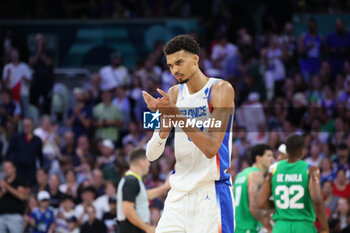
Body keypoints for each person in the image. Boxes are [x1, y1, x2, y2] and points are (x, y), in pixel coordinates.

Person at [143, 34, 235, 233]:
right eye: (170, 65)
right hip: (178, 194)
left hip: (210, 192)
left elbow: (211, 148)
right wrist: (163, 130)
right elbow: (151, 155)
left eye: (179, 62)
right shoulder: (175, 94)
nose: (175, 70)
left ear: (196, 58)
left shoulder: (220, 90)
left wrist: (177, 115)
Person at [258, 134, 329, 233]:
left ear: (287, 150)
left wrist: (280, 208)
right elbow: (317, 199)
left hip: (280, 226)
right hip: (303, 226)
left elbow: (260, 202)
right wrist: (325, 227)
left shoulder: (273, 170)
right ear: (302, 151)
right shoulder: (311, 170)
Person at [117, 148, 170, 233]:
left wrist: (165, 187)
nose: (149, 164)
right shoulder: (131, 181)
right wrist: (147, 228)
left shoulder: (132, 180)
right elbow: (127, 209)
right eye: (147, 161)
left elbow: (145, 195)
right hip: (131, 229)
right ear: (141, 162)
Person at [233, 144, 274, 233]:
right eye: (268, 155)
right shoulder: (256, 175)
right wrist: (268, 226)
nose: (272, 159)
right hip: (249, 227)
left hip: (237, 226)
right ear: (258, 158)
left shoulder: (241, 174)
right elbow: (253, 207)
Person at [6, 117, 43, 185]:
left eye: (28, 125)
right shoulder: (16, 137)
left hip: (31, 170)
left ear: (33, 126)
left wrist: (40, 168)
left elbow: (40, 156)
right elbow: (9, 153)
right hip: (18, 169)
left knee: (31, 188)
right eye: (24, 125)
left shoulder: (37, 140)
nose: (26, 127)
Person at [0, 160, 30, 233]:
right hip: (1, 216)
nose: (6, 169)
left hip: (15, 216)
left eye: (8, 167)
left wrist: (6, 186)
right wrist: (2, 191)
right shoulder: (1, 183)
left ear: (14, 168)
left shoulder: (20, 181)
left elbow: (22, 196)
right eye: (4, 167)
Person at [29, 33, 54, 114]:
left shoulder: (49, 51)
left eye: (40, 39)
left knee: (47, 103)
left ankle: (47, 120)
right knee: (33, 102)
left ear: (44, 40)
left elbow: (48, 63)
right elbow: (32, 63)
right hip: (36, 81)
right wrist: (38, 51)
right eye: (37, 40)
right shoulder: (33, 52)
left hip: (47, 82)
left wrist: (41, 53)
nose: (39, 42)